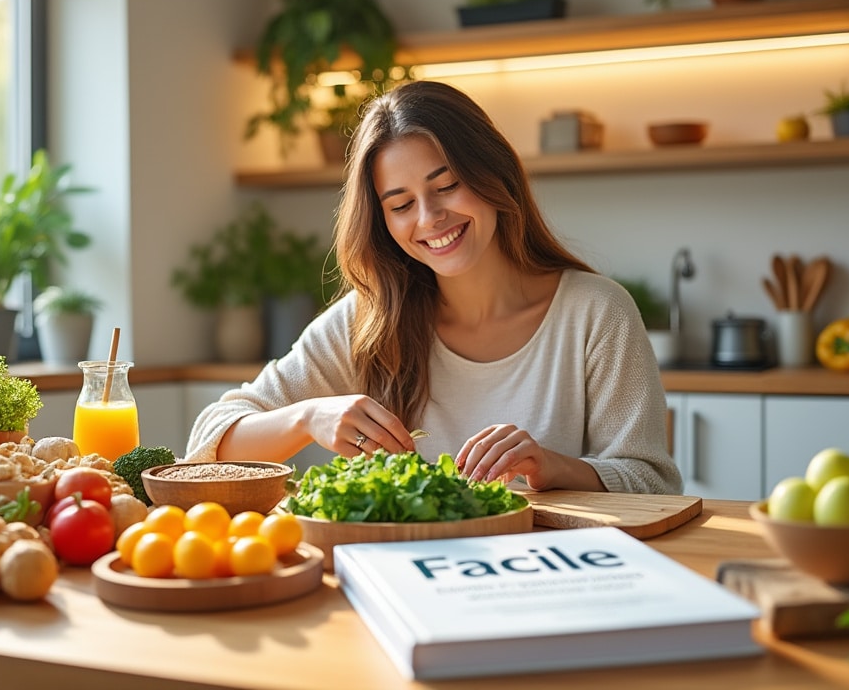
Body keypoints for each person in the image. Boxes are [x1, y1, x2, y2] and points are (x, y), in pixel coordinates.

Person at [186, 80, 681, 495]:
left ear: (493, 173)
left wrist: (554, 468)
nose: (430, 218)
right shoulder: (367, 322)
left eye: (446, 187)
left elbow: (654, 483)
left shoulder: (596, 313)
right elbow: (206, 445)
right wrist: (307, 417)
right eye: (401, 205)